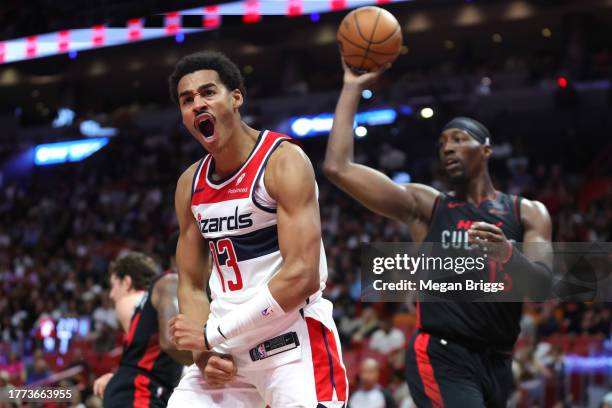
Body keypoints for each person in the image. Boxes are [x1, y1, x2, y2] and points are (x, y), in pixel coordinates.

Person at [323, 60, 553, 407]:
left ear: (486, 151)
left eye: (459, 140)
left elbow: (541, 287)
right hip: (442, 352)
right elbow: (338, 168)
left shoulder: (527, 212)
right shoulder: (427, 206)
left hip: (498, 360)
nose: (447, 148)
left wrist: (507, 256)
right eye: (443, 143)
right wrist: (352, 87)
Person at [166, 50, 347, 407]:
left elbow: (303, 276)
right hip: (226, 351)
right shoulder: (190, 184)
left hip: (290, 344)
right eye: (187, 100)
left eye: (208, 93)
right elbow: (189, 283)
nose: (197, 104)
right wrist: (205, 355)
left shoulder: (283, 162)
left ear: (236, 97)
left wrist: (211, 333)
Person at [93, 251, 191, 407]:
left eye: (113, 285)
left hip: (138, 396)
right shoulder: (154, 302)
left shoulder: (130, 301)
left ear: (126, 282)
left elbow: (173, 346)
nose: (111, 295)